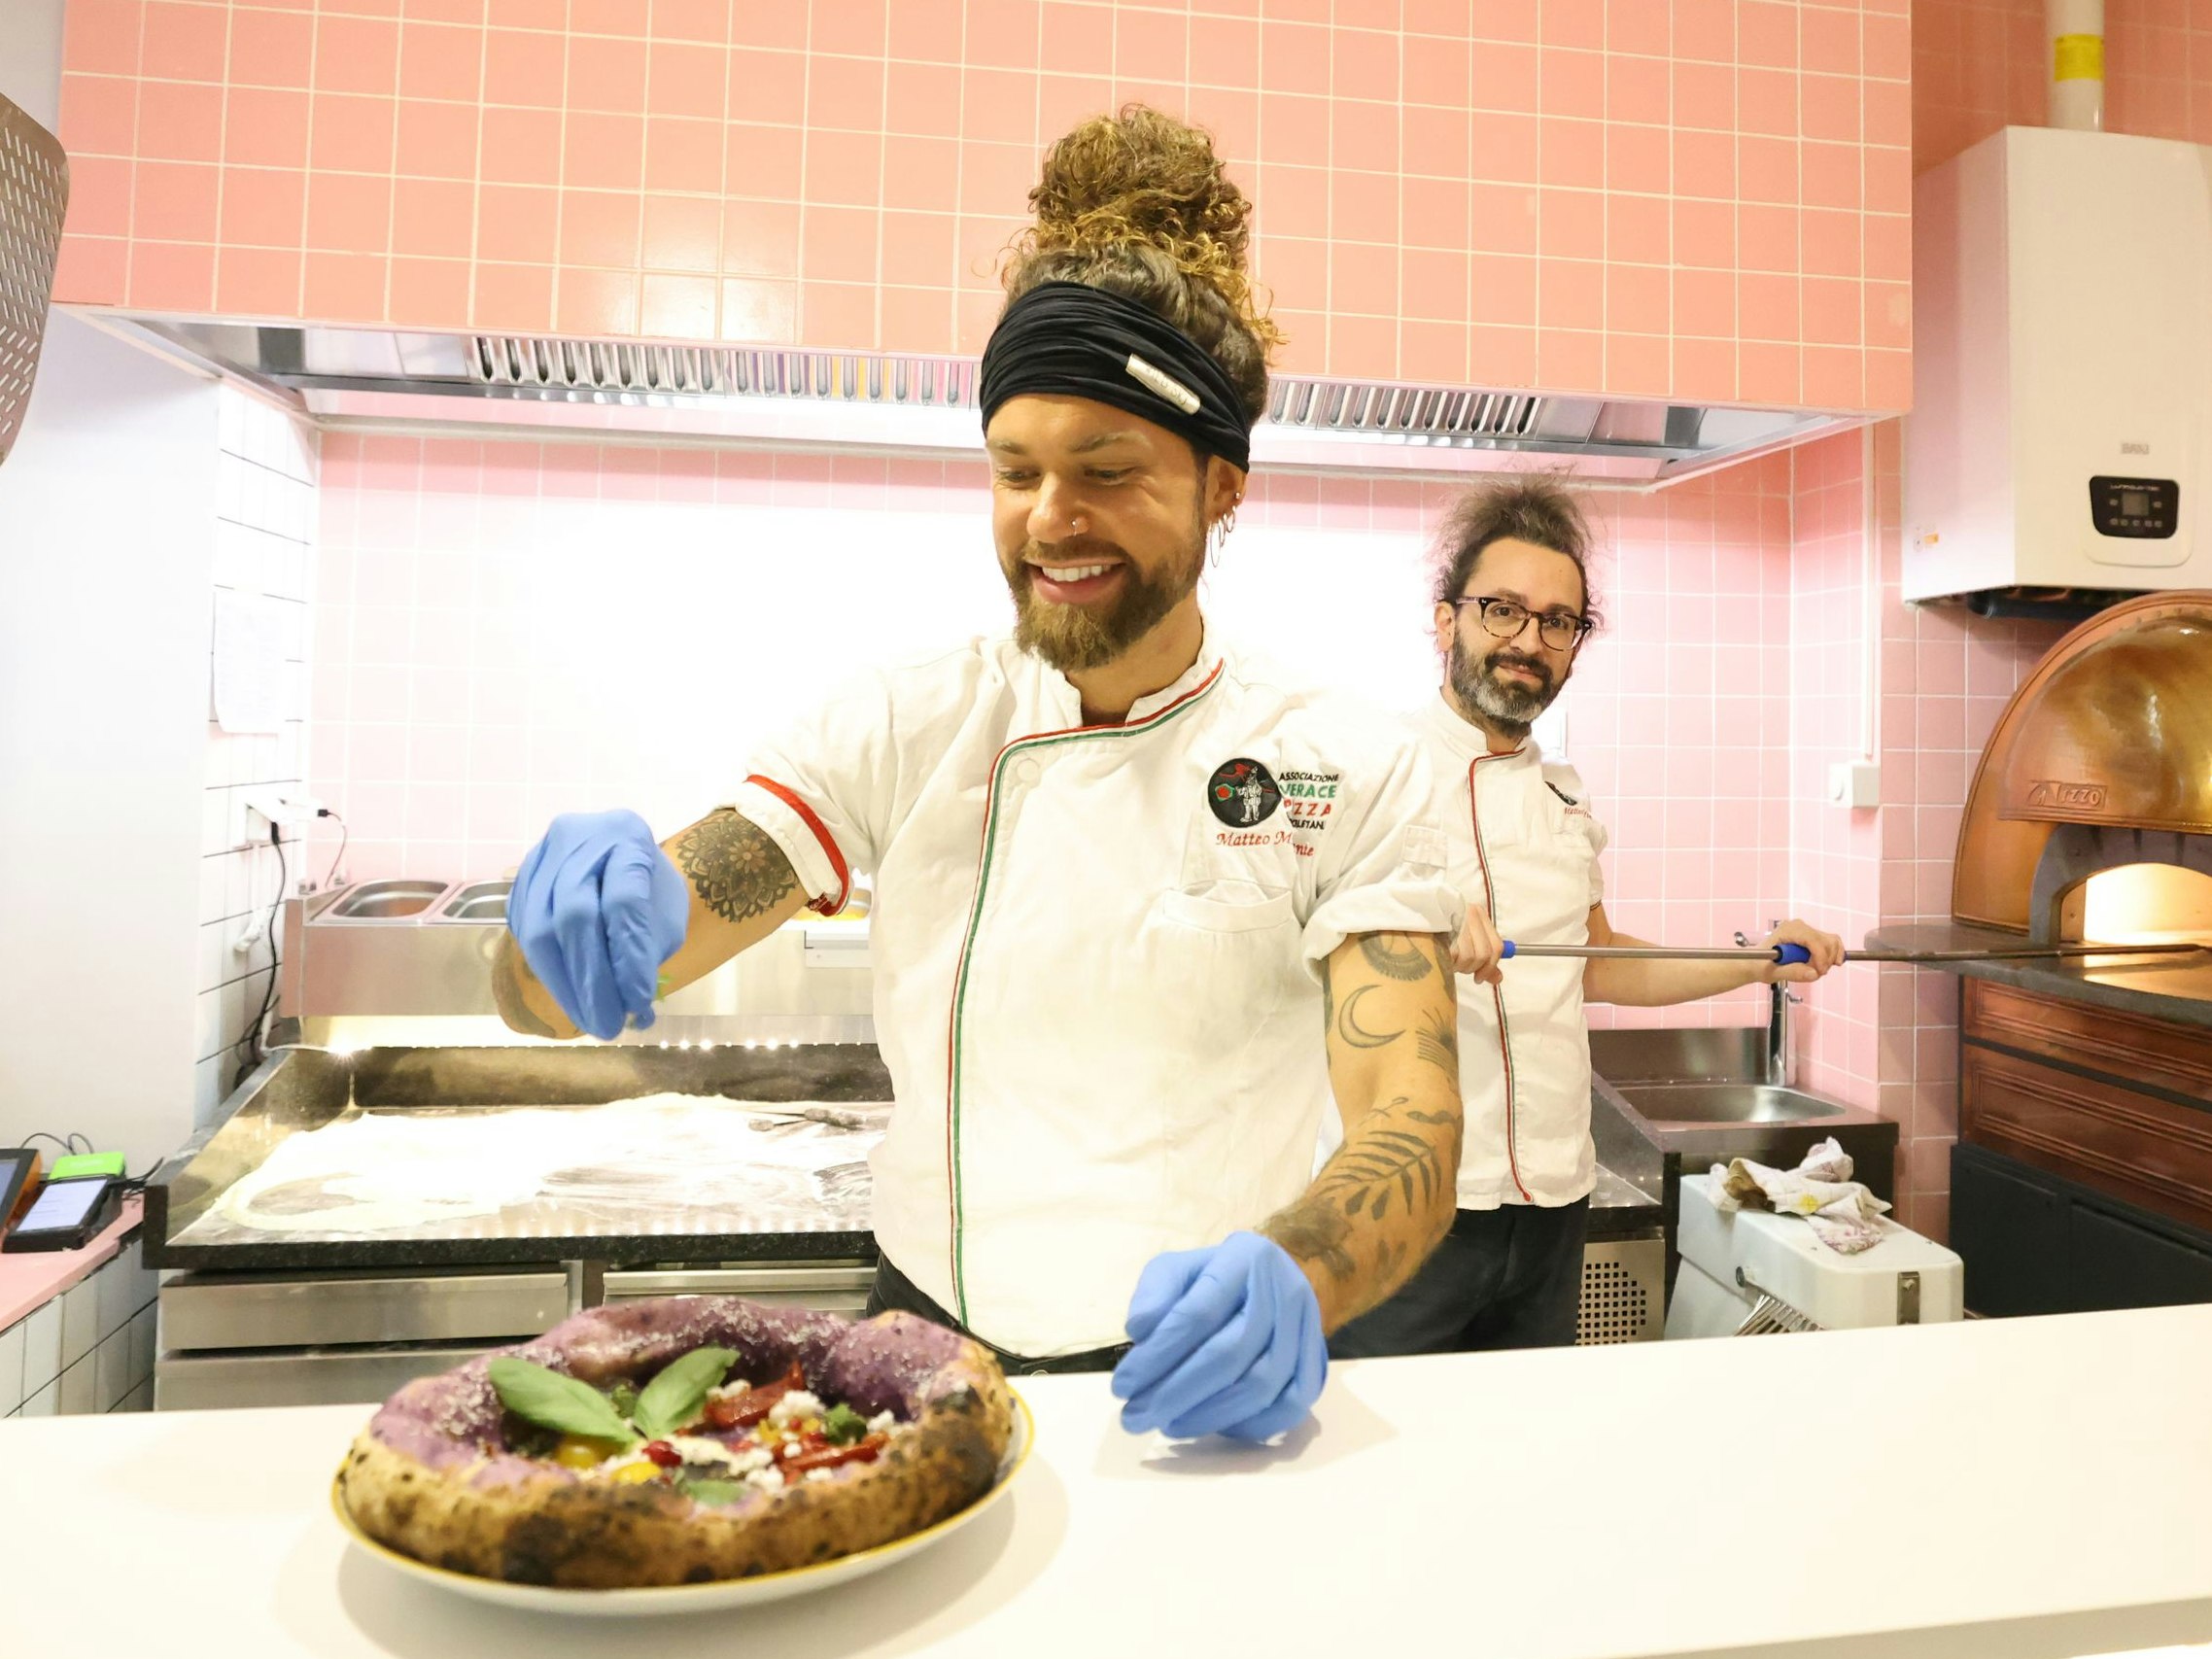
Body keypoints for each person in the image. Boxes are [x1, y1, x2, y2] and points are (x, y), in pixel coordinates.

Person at [495, 108, 1471, 1441]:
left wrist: (1300, 1266)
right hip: (922, 1357)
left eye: (1107, 470)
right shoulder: (908, 721)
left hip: (1202, 1374)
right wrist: (556, 935)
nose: (1050, 519)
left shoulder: (1345, 761)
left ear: (1222, 486)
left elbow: (1409, 1120)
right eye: (1015, 472)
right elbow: (555, 993)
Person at [1328, 477, 1846, 1357]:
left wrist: (1760, 960)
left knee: (1531, 1458)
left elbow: (1597, 961)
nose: (1529, 640)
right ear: (1446, 620)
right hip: (1414, 1207)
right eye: (1502, 610)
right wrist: (1408, 940)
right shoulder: (1362, 769)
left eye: (1559, 622)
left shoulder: (1564, 793)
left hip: (1552, 1209)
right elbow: (1296, 958)